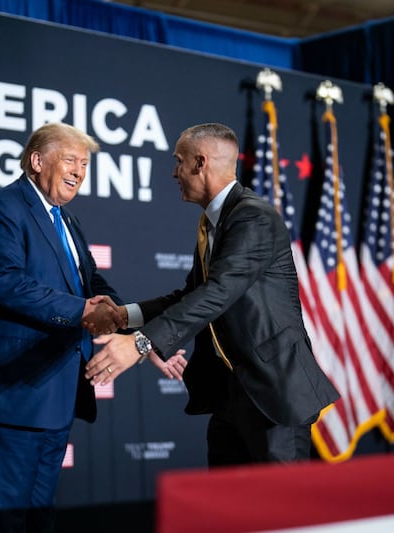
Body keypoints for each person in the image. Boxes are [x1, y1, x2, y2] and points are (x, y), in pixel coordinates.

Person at [85, 122, 340, 466]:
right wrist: (123, 316)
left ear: (200, 163)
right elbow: (192, 294)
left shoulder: (253, 217)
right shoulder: (213, 222)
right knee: (231, 515)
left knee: (282, 514)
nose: (174, 172)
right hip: (229, 396)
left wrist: (141, 343)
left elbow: (218, 294)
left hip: (272, 395)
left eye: (178, 161)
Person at [0, 122, 129, 532]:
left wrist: (124, 315)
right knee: (7, 521)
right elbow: (3, 282)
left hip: (55, 393)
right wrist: (84, 312)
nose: (79, 172)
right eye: (70, 160)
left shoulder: (68, 220)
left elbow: (91, 283)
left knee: (38, 518)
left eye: (84, 164)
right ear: (36, 161)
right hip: (10, 392)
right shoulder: (4, 207)